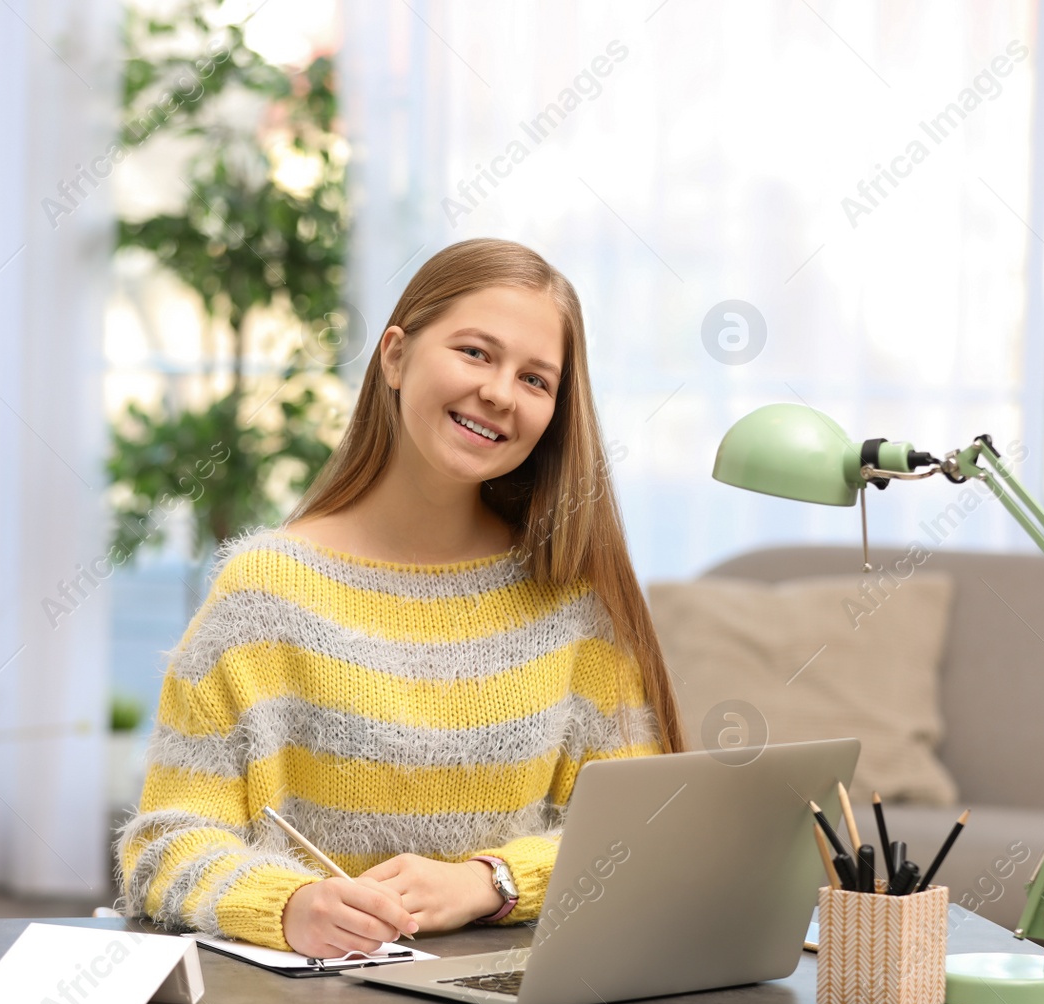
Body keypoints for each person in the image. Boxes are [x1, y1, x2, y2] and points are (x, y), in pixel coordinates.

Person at [115, 237, 685, 958]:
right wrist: (289, 904)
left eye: (536, 379)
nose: (501, 392)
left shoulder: (570, 601)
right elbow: (164, 844)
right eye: (476, 352)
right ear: (394, 355)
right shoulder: (259, 592)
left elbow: (641, 833)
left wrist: (490, 882)